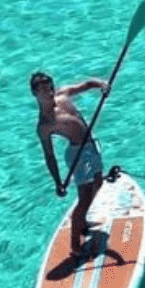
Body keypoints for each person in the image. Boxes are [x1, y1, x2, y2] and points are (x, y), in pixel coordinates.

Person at [31, 70, 110, 258]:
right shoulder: (45, 124)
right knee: (83, 198)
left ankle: (81, 221)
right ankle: (75, 245)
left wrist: (102, 85)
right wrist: (57, 182)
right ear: (35, 93)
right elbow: (49, 156)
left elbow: (86, 85)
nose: (48, 90)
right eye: (42, 89)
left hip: (91, 145)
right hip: (77, 154)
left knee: (98, 182)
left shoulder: (63, 94)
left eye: (49, 85)